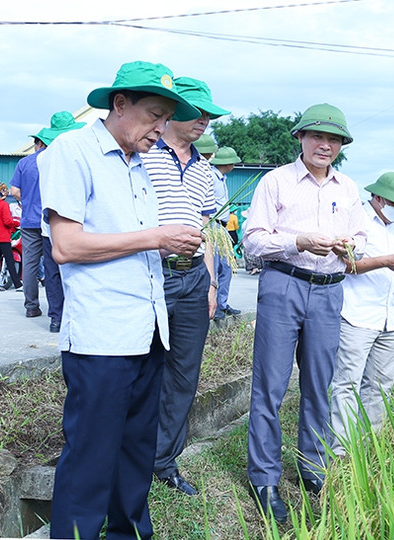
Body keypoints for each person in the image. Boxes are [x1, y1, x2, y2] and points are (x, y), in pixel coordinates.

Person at [38, 61, 203, 540]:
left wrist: (170, 244)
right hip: (102, 334)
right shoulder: (74, 152)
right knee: (91, 454)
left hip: (148, 329)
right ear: (120, 103)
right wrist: (156, 237)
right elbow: (66, 245)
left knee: (135, 451)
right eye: (153, 114)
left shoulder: (139, 164)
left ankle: (130, 533)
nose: (160, 128)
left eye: (166, 118)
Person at [242, 103, 368, 522]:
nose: (325, 145)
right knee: (270, 387)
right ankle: (264, 477)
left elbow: (362, 240)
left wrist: (351, 245)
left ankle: (312, 467)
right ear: (300, 137)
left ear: (341, 146)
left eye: (333, 139)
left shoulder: (348, 189)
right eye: (317, 136)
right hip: (283, 284)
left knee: (320, 385)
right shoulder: (275, 182)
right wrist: (299, 242)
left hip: (330, 291)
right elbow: (254, 241)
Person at [141, 76, 229, 496]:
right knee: (143, 369)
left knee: (184, 373)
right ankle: (134, 456)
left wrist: (211, 283)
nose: (205, 122)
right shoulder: (143, 155)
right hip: (152, 274)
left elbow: (207, 230)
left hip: (194, 278)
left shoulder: (205, 171)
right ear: (173, 111)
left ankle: (164, 461)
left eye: (211, 116)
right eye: (199, 113)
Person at [330, 172, 394, 457]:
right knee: (347, 385)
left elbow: (392, 275)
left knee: (380, 386)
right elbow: (347, 264)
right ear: (379, 198)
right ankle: (340, 452)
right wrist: (387, 260)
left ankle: (368, 448)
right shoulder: (357, 221)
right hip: (357, 316)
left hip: (388, 318)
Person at [11, 111, 85, 324]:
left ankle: (35, 308)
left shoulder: (27, 163)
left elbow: (14, 191)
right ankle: (70, 314)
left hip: (31, 221)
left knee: (32, 265)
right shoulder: (73, 155)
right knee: (66, 267)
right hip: (61, 221)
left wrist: (27, 201)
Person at [210, 146, 243, 321]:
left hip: (223, 227)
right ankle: (213, 305)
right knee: (214, 268)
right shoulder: (211, 177)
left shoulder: (221, 178)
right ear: (228, 163)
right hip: (213, 226)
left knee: (226, 268)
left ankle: (222, 303)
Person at [0, 182, 23, 292]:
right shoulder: (4, 205)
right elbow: (7, 221)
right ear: (3, 192)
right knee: (10, 261)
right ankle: (18, 285)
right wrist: (17, 223)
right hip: (3, 237)